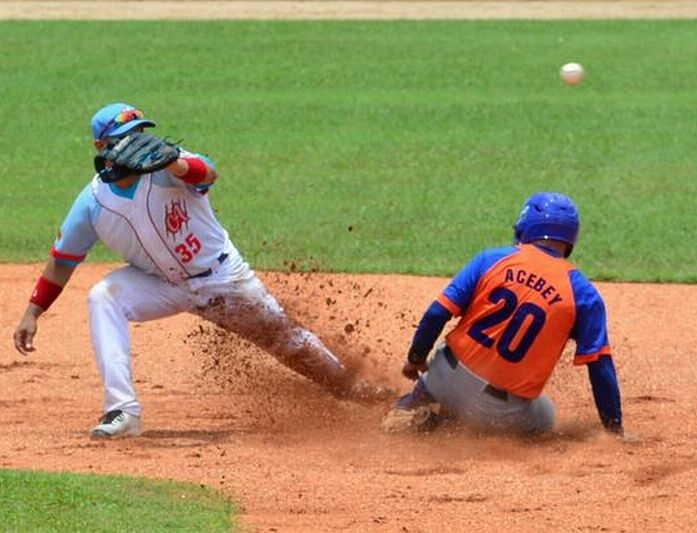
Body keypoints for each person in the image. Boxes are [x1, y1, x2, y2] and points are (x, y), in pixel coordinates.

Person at [13, 102, 384, 438]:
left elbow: (207, 173)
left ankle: (359, 392)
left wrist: (174, 162)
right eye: (125, 138)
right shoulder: (92, 204)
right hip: (161, 285)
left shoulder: (170, 168)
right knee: (103, 296)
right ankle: (122, 412)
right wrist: (34, 312)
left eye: (139, 133)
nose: (137, 143)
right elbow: (63, 260)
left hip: (222, 279)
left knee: (286, 340)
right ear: (102, 148)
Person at [381, 192, 624, 437]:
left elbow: (436, 314)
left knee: (417, 399)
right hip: (501, 411)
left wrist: (416, 358)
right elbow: (600, 366)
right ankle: (457, 430)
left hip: (446, 377)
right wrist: (615, 430)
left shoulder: (492, 259)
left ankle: (411, 410)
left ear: (526, 226)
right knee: (546, 415)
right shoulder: (583, 294)